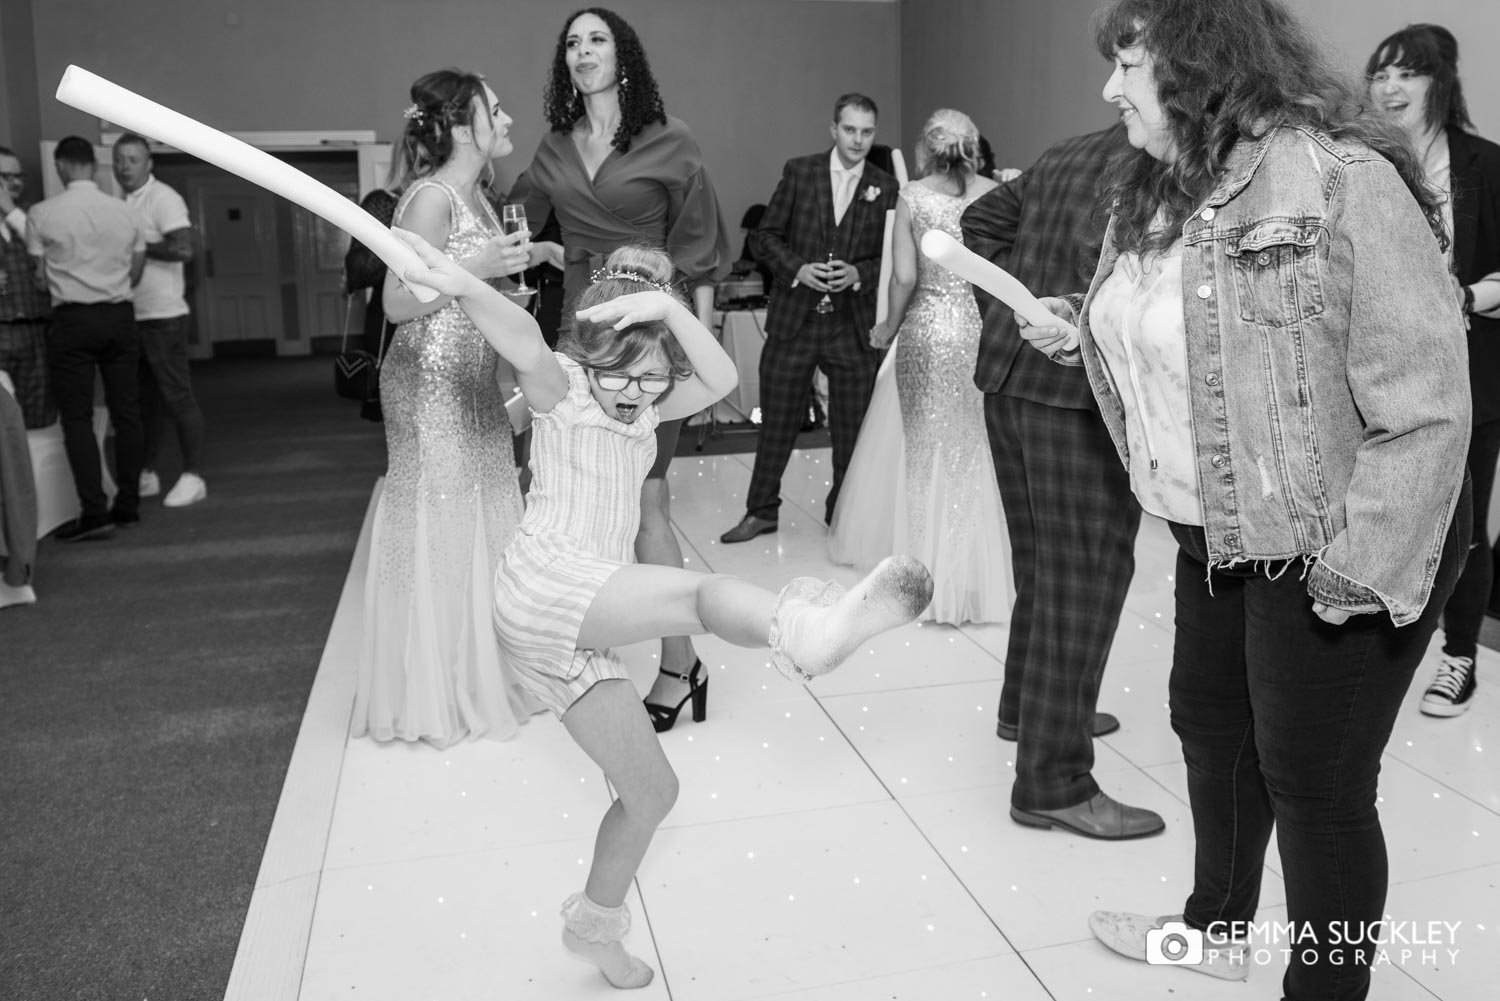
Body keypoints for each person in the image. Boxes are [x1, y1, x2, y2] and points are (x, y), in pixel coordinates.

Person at [1017, 2, 1470, 996]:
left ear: (1192, 66)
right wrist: (1097, 334)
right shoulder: (1152, 189)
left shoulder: (1342, 180)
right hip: (1212, 532)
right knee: (1211, 730)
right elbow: (1199, 341)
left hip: (1331, 541)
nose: (1107, 87)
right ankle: (1216, 931)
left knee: (1316, 787)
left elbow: (1429, 407)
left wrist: (1361, 568)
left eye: (1126, 64)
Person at [393, 232, 934, 990]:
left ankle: (592, 926)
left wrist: (665, 308)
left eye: (654, 382)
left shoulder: (645, 410)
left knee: (653, 792)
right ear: (591, 355)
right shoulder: (563, 389)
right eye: (629, 378)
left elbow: (714, 374)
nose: (641, 395)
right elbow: (517, 335)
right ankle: (804, 631)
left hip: (582, 617)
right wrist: (457, 279)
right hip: (546, 582)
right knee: (698, 595)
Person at [517, 7, 732, 733]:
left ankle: (680, 662)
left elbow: (700, 250)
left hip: (648, 341)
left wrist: (694, 351)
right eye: (572, 43)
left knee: (647, 503)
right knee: (577, 496)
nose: (583, 51)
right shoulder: (553, 146)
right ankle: (584, 647)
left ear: (623, 56)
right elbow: (512, 220)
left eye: (597, 39)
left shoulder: (672, 142)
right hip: (581, 342)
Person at [959, 123, 1155, 838]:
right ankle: (1055, 778)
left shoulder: (1065, 149)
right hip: (1075, 392)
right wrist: (1056, 311)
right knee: (1087, 576)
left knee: (1043, 568)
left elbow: (978, 221)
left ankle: (1029, 707)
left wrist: (1015, 306)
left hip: (1008, 380)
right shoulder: (1166, 164)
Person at [351, 69, 537, 748]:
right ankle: (435, 688)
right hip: (427, 386)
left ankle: (483, 669)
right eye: (497, 109)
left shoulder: (481, 197)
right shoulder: (429, 199)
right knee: (442, 519)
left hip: (476, 380)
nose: (508, 119)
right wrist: (479, 271)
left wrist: (510, 282)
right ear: (464, 126)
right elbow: (396, 304)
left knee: (489, 513)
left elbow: (475, 288)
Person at [832, 109, 1012, 625]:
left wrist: (887, 326)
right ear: (972, 147)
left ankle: (920, 574)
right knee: (972, 449)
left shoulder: (912, 195)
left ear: (926, 149)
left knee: (924, 447)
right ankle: (972, 576)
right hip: (979, 333)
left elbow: (904, 277)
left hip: (927, 335)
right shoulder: (995, 192)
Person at [1366, 24, 1500, 719]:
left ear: (1439, 82)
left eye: (1406, 74)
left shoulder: (1484, 163)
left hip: (1470, 369)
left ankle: (1458, 656)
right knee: (1386, 507)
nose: (1390, 88)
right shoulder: (1360, 162)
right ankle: (1381, 642)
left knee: (1465, 518)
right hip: (1376, 370)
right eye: (1380, 75)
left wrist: (1468, 294)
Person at [722, 93, 899, 545]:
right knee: (777, 424)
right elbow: (765, 238)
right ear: (833, 129)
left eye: (867, 132)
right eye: (850, 129)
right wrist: (798, 268)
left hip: (853, 327)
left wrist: (861, 272)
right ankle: (760, 511)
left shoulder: (886, 186)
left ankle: (842, 512)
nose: (858, 140)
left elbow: (897, 257)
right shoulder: (800, 172)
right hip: (794, 321)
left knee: (851, 432)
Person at [26, 135, 145, 541]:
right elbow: (137, 271)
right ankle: (128, 505)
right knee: (127, 409)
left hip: (72, 320)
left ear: (60, 166)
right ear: (94, 166)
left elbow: (40, 279)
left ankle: (95, 512)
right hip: (118, 314)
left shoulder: (41, 213)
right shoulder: (124, 213)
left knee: (77, 415)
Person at [111, 133, 208, 508]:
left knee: (176, 397)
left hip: (163, 317)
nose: (124, 167)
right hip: (131, 313)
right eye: (119, 159)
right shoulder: (122, 200)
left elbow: (184, 249)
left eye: (132, 160)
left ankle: (193, 475)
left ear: (148, 163)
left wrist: (137, 245)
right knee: (141, 401)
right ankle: (147, 471)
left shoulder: (162, 198)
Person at [0, 145, 53, 429]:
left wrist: (10, 211)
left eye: (18, 175)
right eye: (5, 177)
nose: (15, 182)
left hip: (35, 332)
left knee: (36, 416)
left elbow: (52, 256)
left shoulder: (34, 217)